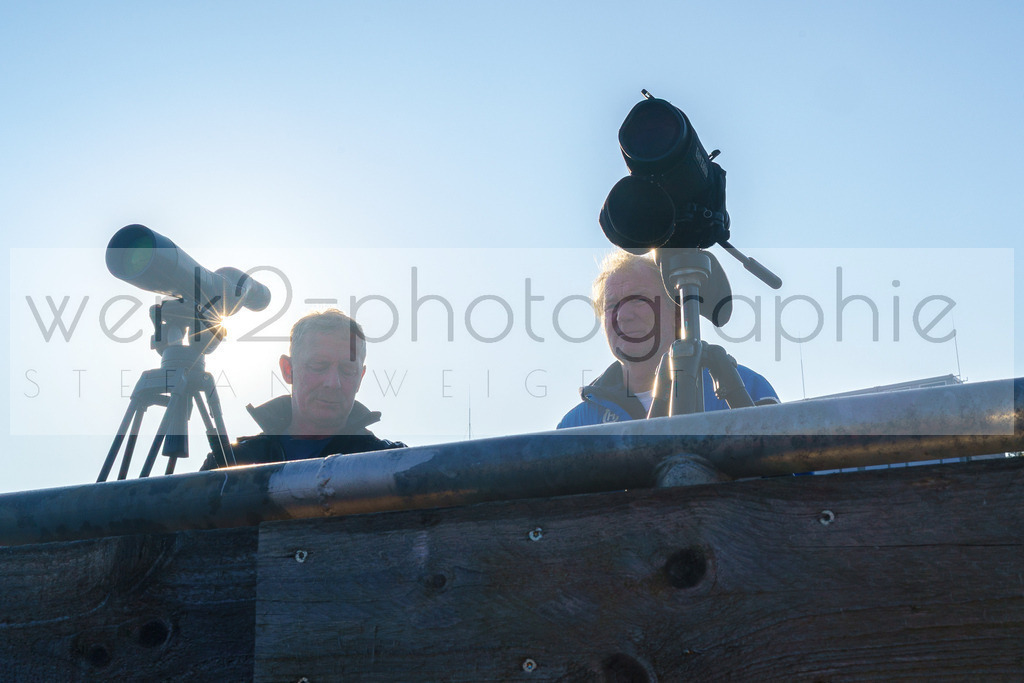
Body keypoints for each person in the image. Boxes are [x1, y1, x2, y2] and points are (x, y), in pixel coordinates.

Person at [558, 250, 778, 428]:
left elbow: (791, 477)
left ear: (677, 312)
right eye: (611, 305)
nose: (623, 315)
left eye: (638, 300)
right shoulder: (575, 426)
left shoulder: (748, 388)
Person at [201, 308, 403, 469]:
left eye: (348, 370)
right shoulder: (229, 463)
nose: (333, 383)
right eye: (318, 366)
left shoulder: (397, 463)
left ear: (360, 378)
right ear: (288, 370)